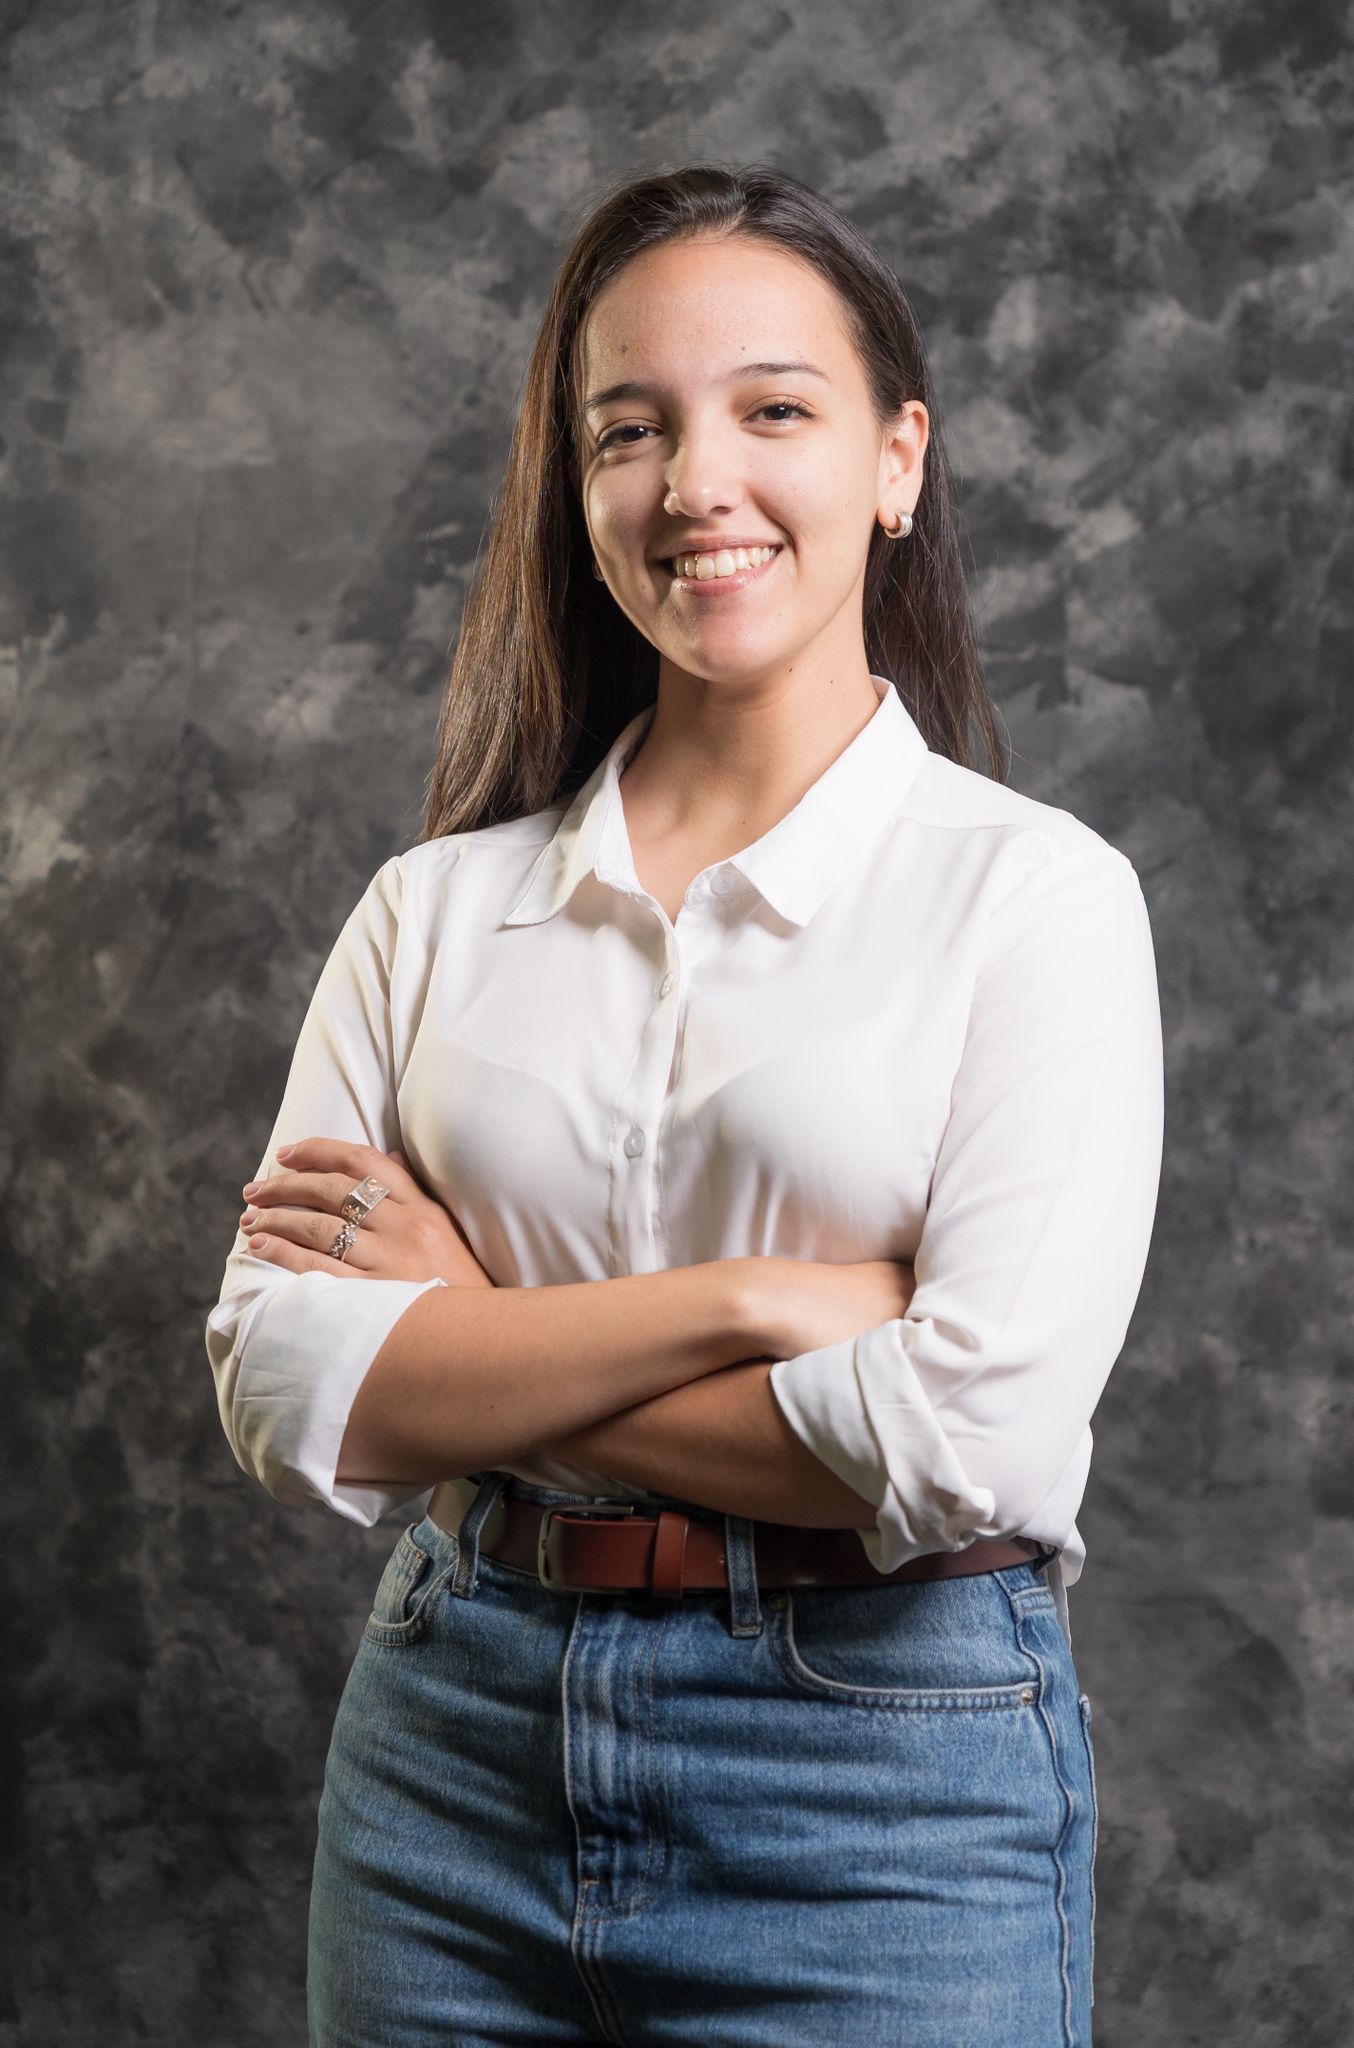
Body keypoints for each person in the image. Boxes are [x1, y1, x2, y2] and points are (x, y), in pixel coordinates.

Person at [205, 161, 1163, 2044]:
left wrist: (467, 1337)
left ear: (895, 461)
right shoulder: (431, 912)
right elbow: (288, 1383)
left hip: (877, 1779)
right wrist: (754, 1305)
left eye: (772, 412)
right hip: (450, 1757)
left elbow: (965, 1445)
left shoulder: (1033, 898)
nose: (692, 484)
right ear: (577, 493)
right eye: (626, 431)